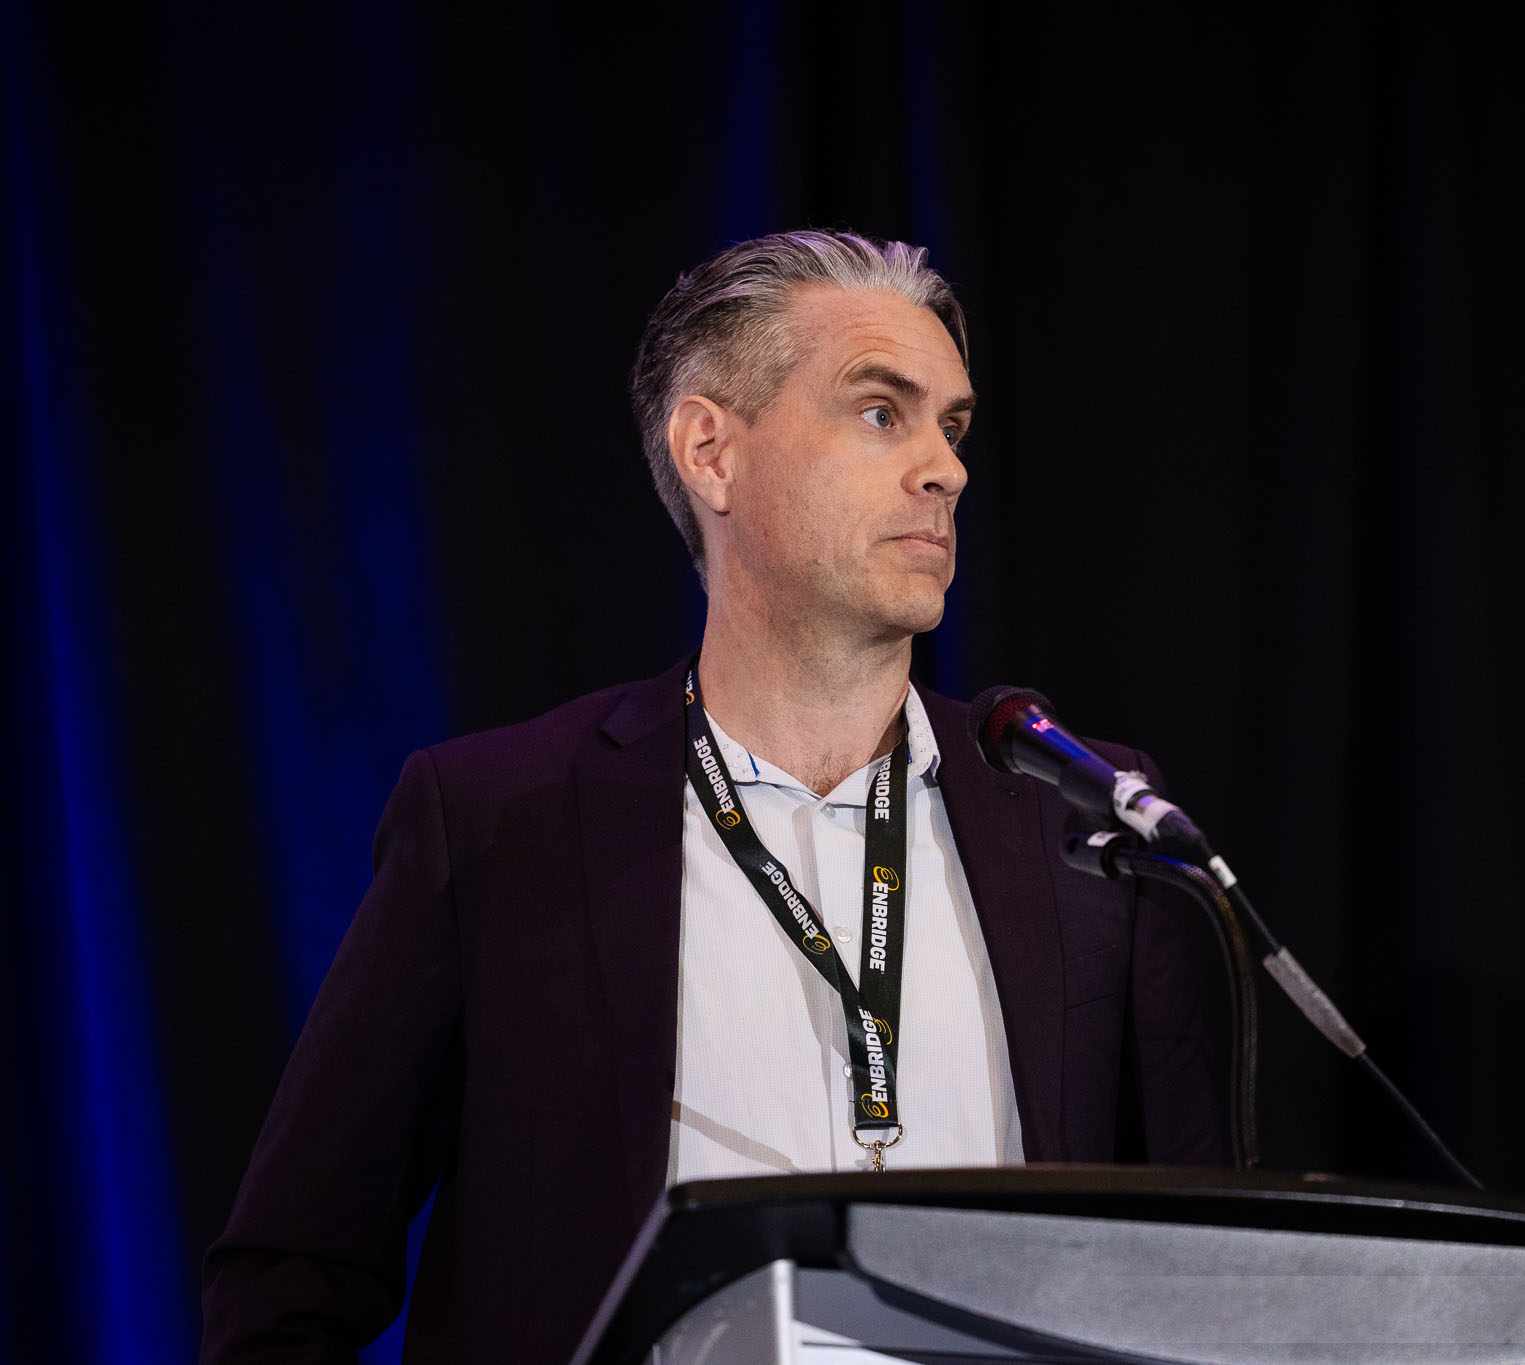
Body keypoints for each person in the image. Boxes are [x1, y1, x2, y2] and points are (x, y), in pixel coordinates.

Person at [199, 230, 1229, 1363]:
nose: (946, 468)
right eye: (880, 412)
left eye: (951, 425)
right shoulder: (498, 821)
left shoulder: (1083, 817)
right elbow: (288, 1278)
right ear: (710, 452)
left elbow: (1201, 1278)